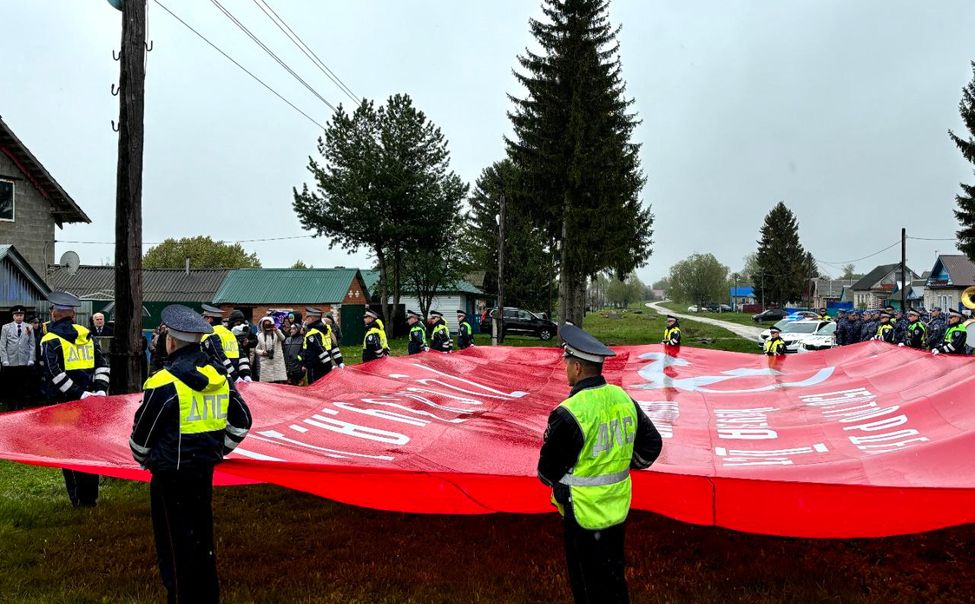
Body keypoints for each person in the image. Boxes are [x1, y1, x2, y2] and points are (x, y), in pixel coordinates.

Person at [129, 304, 252, 604]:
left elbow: (140, 440)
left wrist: (149, 460)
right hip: (203, 473)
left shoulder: (163, 383)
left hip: (169, 476)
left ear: (171, 342)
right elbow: (242, 421)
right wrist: (217, 450)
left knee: (174, 547)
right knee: (202, 542)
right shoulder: (219, 378)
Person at [538, 324, 662, 604]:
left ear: (578, 367)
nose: (565, 368)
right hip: (617, 507)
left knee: (587, 586)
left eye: (567, 362)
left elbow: (547, 473)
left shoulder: (569, 412)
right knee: (614, 577)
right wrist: (622, 463)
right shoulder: (622, 397)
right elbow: (652, 445)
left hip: (582, 513)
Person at [40, 291, 110, 507]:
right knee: (90, 449)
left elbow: (55, 374)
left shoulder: (50, 340)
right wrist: (99, 390)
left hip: (64, 404)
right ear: (74, 314)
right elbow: (103, 365)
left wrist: (78, 394)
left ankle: (78, 499)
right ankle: (91, 497)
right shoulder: (87, 334)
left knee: (69, 452)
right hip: (91, 403)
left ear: (54, 314)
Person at [199, 304, 249, 383]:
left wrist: (234, 377)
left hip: (220, 377)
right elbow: (242, 356)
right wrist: (246, 375)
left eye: (205, 318)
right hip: (236, 378)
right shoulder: (229, 333)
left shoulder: (209, 334)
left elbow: (220, 357)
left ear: (210, 319)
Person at [0, 305, 36, 409]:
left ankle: (21, 407)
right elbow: (3, 345)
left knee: (22, 386)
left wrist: (31, 358)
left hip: (24, 362)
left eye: (21, 315)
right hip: (11, 362)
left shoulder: (29, 327)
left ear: (24, 316)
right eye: (16, 315)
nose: (19, 317)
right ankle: (11, 407)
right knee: (11, 386)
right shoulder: (6, 327)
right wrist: (4, 359)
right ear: (13, 316)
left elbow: (32, 344)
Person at [300, 307, 344, 384]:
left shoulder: (313, 333)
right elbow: (333, 347)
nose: (306, 319)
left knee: (314, 389)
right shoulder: (325, 329)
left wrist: (330, 366)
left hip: (315, 367)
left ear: (313, 318)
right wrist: (339, 362)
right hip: (325, 366)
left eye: (307, 317)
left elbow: (320, 350)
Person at [255, 316, 287, 383]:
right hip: (266, 363)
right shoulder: (260, 336)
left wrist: (276, 330)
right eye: (266, 325)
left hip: (277, 362)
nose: (268, 326)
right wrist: (263, 352)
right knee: (267, 386)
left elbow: (283, 338)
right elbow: (257, 349)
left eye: (269, 324)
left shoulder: (276, 333)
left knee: (278, 385)